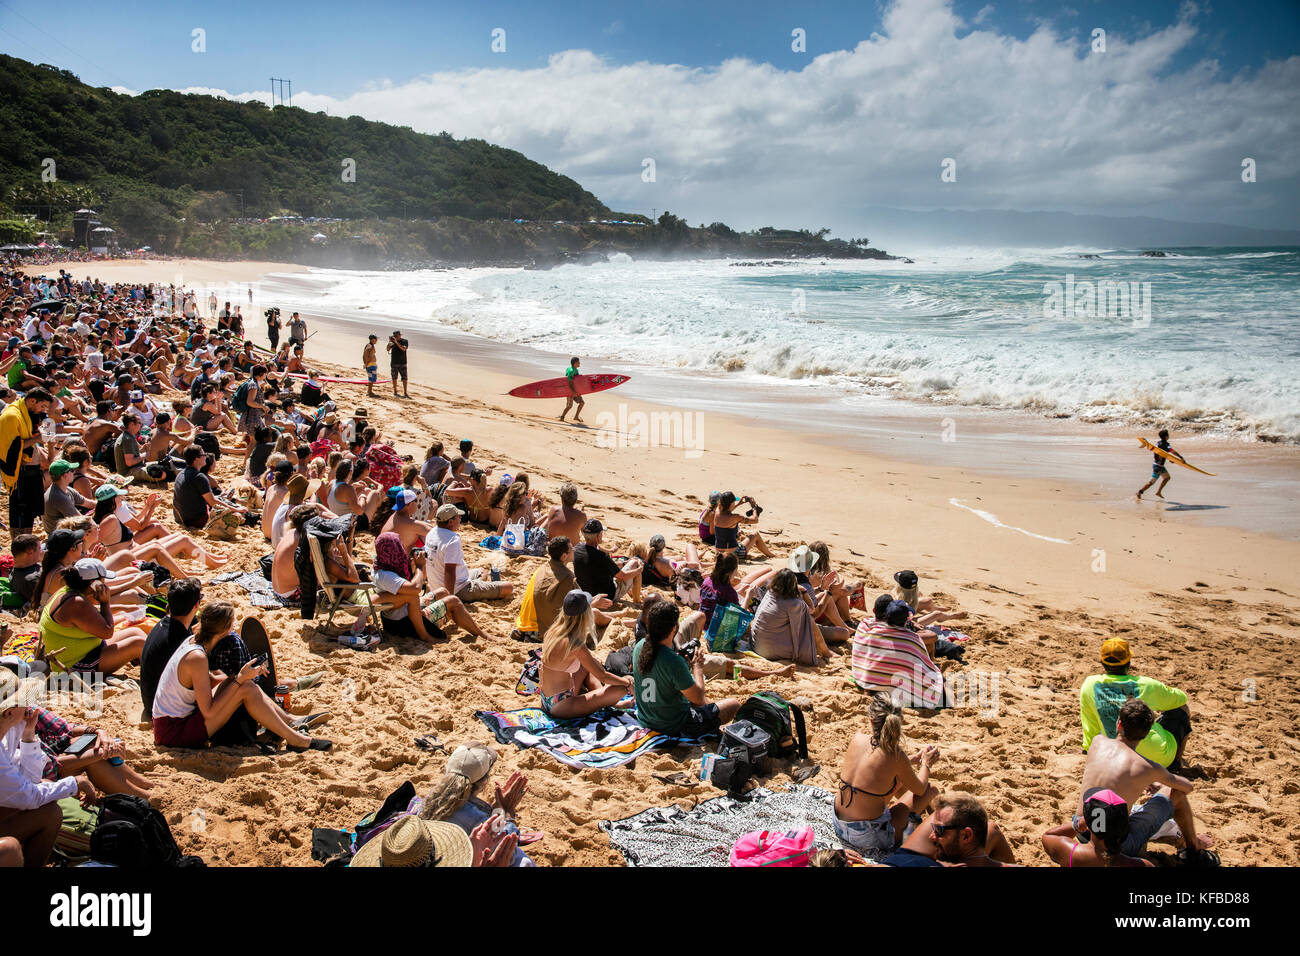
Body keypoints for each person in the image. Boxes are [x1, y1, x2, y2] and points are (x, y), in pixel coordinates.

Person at [152, 601, 332, 752]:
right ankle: (297, 739)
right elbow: (208, 711)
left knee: (244, 685)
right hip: (175, 731)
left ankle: (289, 722)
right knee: (243, 686)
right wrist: (239, 679)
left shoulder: (194, 640)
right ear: (226, 629)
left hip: (171, 721)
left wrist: (238, 679)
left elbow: (204, 683)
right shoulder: (197, 657)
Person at [1073, 698, 1218, 865]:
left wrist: (1147, 780)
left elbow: (1114, 776)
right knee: (1175, 793)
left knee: (1116, 808)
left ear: (1119, 723)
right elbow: (1187, 787)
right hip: (1115, 846)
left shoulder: (1098, 742)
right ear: (1148, 732)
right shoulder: (1146, 767)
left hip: (1081, 829)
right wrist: (1159, 781)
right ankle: (1194, 848)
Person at [1, 673, 96, 868]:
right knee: (9, 850)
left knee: (50, 809)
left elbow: (31, 779)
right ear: (8, 713)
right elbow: (30, 796)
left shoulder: (7, 736)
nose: (29, 706)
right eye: (22, 702)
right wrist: (75, 783)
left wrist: (28, 735)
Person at [834, 692, 940, 859]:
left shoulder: (858, 737)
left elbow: (875, 767)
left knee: (896, 780)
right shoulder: (896, 755)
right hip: (867, 837)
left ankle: (924, 823)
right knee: (930, 790)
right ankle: (938, 831)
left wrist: (909, 761)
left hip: (839, 823)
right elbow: (920, 789)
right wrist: (926, 763)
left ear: (871, 720)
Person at [632, 601, 740, 738]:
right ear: (674, 628)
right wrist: (697, 667)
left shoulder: (639, 647)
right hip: (673, 726)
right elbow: (698, 699)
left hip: (646, 719)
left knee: (702, 701)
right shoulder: (673, 662)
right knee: (733, 705)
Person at [1081, 637, 1192, 769]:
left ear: (1102, 662)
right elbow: (1181, 698)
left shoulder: (1090, 685)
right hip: (1158, 759)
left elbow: (1090, 726)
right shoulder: (1146, 685)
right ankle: (1175, 764)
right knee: (1180, 709)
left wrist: (1088, 750)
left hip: (1116, 756)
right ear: (1129, 662)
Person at [418, 743, 533, 867]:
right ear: (483, 781)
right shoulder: (475, 818)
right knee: (522, 860)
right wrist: (506, 813)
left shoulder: (430, 799)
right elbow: (505, 852)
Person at [38, 559, 148, 676]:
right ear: (94, 584)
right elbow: (107, 632)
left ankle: (150, 667)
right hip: (75, 667)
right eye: (103, 580)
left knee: (136, 632)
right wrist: (105, 602)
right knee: (138, 643)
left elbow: (92, 614)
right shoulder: (77, 603)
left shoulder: (65, 592)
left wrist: (121, 607)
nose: (105, 583)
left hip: (86, 652)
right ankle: (156, 676)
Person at [371, 532, 486, 642]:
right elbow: (415, 588)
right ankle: (482, 635)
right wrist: (419, 567)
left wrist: (414, 567)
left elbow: (414, 584)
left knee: (443, 592)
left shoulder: (382, 565)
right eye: (399, 545)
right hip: (402, 623)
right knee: (453, 601)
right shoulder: (386, 575)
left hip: (400, 612)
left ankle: (457, 618)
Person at [539, 590, 632, 717]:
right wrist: (627, 682)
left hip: (547, 699)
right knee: (621, 689)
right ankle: (608, 702)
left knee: (589, 664)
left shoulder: (554, 631)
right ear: (586, 614)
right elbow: (602, 676)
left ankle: (604, 697)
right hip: (561, 706)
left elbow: (594, 666)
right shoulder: (575, 644)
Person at [851, 599, 949, 709]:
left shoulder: (870, 628)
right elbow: (924, 660)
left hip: (869, 682)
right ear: (906, 620)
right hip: (896, 689)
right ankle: (950, 704)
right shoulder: (912, 639)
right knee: (938, 677)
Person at [880, 793, 1015, 867]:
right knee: (990, 827)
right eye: (934, 829)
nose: (931, 836)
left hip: (904, 858)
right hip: (908, 857)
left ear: (966, 836)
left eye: (938, 830)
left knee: (990, 828)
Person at [139, 577, 204, 720]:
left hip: (151, 702)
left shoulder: (166, 625)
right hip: (165, 711)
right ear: (196, 605)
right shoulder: (180, 639)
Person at [1040, 789, 1154, 867]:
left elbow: (1049, 836)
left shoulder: (1073, 854)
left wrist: (1078, 824)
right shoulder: (1143, 865)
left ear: (1089, 825)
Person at [426, 504, 513, 603]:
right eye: (458, 517)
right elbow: (449, 571)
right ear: (450, 522)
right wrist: (449, 599)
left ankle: (477, 586)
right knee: (508, 587)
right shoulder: (452, 539)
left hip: (438, 586)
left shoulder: (432, 533)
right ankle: (476, 590)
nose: (460, 518)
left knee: (482, 571)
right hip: (458, 589)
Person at [1, 387, 55, 535]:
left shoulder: (31, 413)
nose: (43, 410)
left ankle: (27, 542)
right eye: (42, 406)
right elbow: (11, 446)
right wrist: (38, 438)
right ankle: (19, 545)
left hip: (34, 470)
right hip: (20, 472)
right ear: (32, 401)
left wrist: (50, 454)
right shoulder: (12, 416)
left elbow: (49, 430)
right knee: (19, 512)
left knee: (30, 512)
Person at [748, 568, 830, 665]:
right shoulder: (794, 604)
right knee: (812, 621)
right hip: (771, 652)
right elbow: (812, 610)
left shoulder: (770, 593)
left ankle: (826, 649)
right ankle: (826, 652)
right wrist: (804, 591)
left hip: (756, 645)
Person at [573, 519, 642, 604]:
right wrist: (639, 570)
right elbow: (622, 576)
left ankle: (632, 592)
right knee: (635, 563)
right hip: (607, 596)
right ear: (598, 536)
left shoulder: (577, 549)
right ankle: (637, 601)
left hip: (586, 594)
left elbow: (599, 565)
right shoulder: (602, 556)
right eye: (602, 533)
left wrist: (623, 564)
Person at [706, 491, 775, 559]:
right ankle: (771, 555)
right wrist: (754, 507)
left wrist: (739, 503)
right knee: (755, 534)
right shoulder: (735, 517)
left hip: (719, 554)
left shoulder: (717, 512)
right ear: (731, 503)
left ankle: (771, 555)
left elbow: (726, 510)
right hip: (734, 555)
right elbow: (755, 520)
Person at [43, 459, 90, 533]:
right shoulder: (59, 497)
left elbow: (88, 503)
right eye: (71, 470)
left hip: (62, 531)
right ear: (64, 475)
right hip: (60, 537)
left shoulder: (65, 489)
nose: (74, 472)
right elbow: (80, 521)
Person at [1137, 428, 1177, 499]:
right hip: (1159, 467)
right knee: (1152, 482)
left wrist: (1170, 459)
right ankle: (1140, 492)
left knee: (1166, 478)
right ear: (1166, 436)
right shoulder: (1166, 445)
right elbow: (1172, 451)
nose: (1169, 436)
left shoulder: (1158, 443)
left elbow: (1160, 453)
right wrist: (1180, 457)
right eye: (1168, 435)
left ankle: (1156, 492)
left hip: (1157, 465)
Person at [559, 356, 584, 423]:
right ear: (575, 363)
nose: (579, 363)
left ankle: (576, 417)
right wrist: (573, 392)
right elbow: (569, 382)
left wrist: (579, 377)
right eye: (578, 362)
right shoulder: (571, 371)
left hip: (575, 390)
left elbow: (575, 380)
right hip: (570, 391)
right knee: (569, 406)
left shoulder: (574, 370)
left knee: (581, 403)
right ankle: (562, 417)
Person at [387, 329, 409, 398]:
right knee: (394, 377)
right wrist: (389, 343)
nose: (396, 337)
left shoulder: (404, 341)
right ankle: (395, 391)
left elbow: (404, 349)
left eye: (397, 335)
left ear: (400, 335)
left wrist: (396, 342)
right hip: (394, 362)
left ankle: (405, 392)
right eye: (395, 336)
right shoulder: (392, 342)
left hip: (403, 362)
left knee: (404, 378)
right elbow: (387, 349)